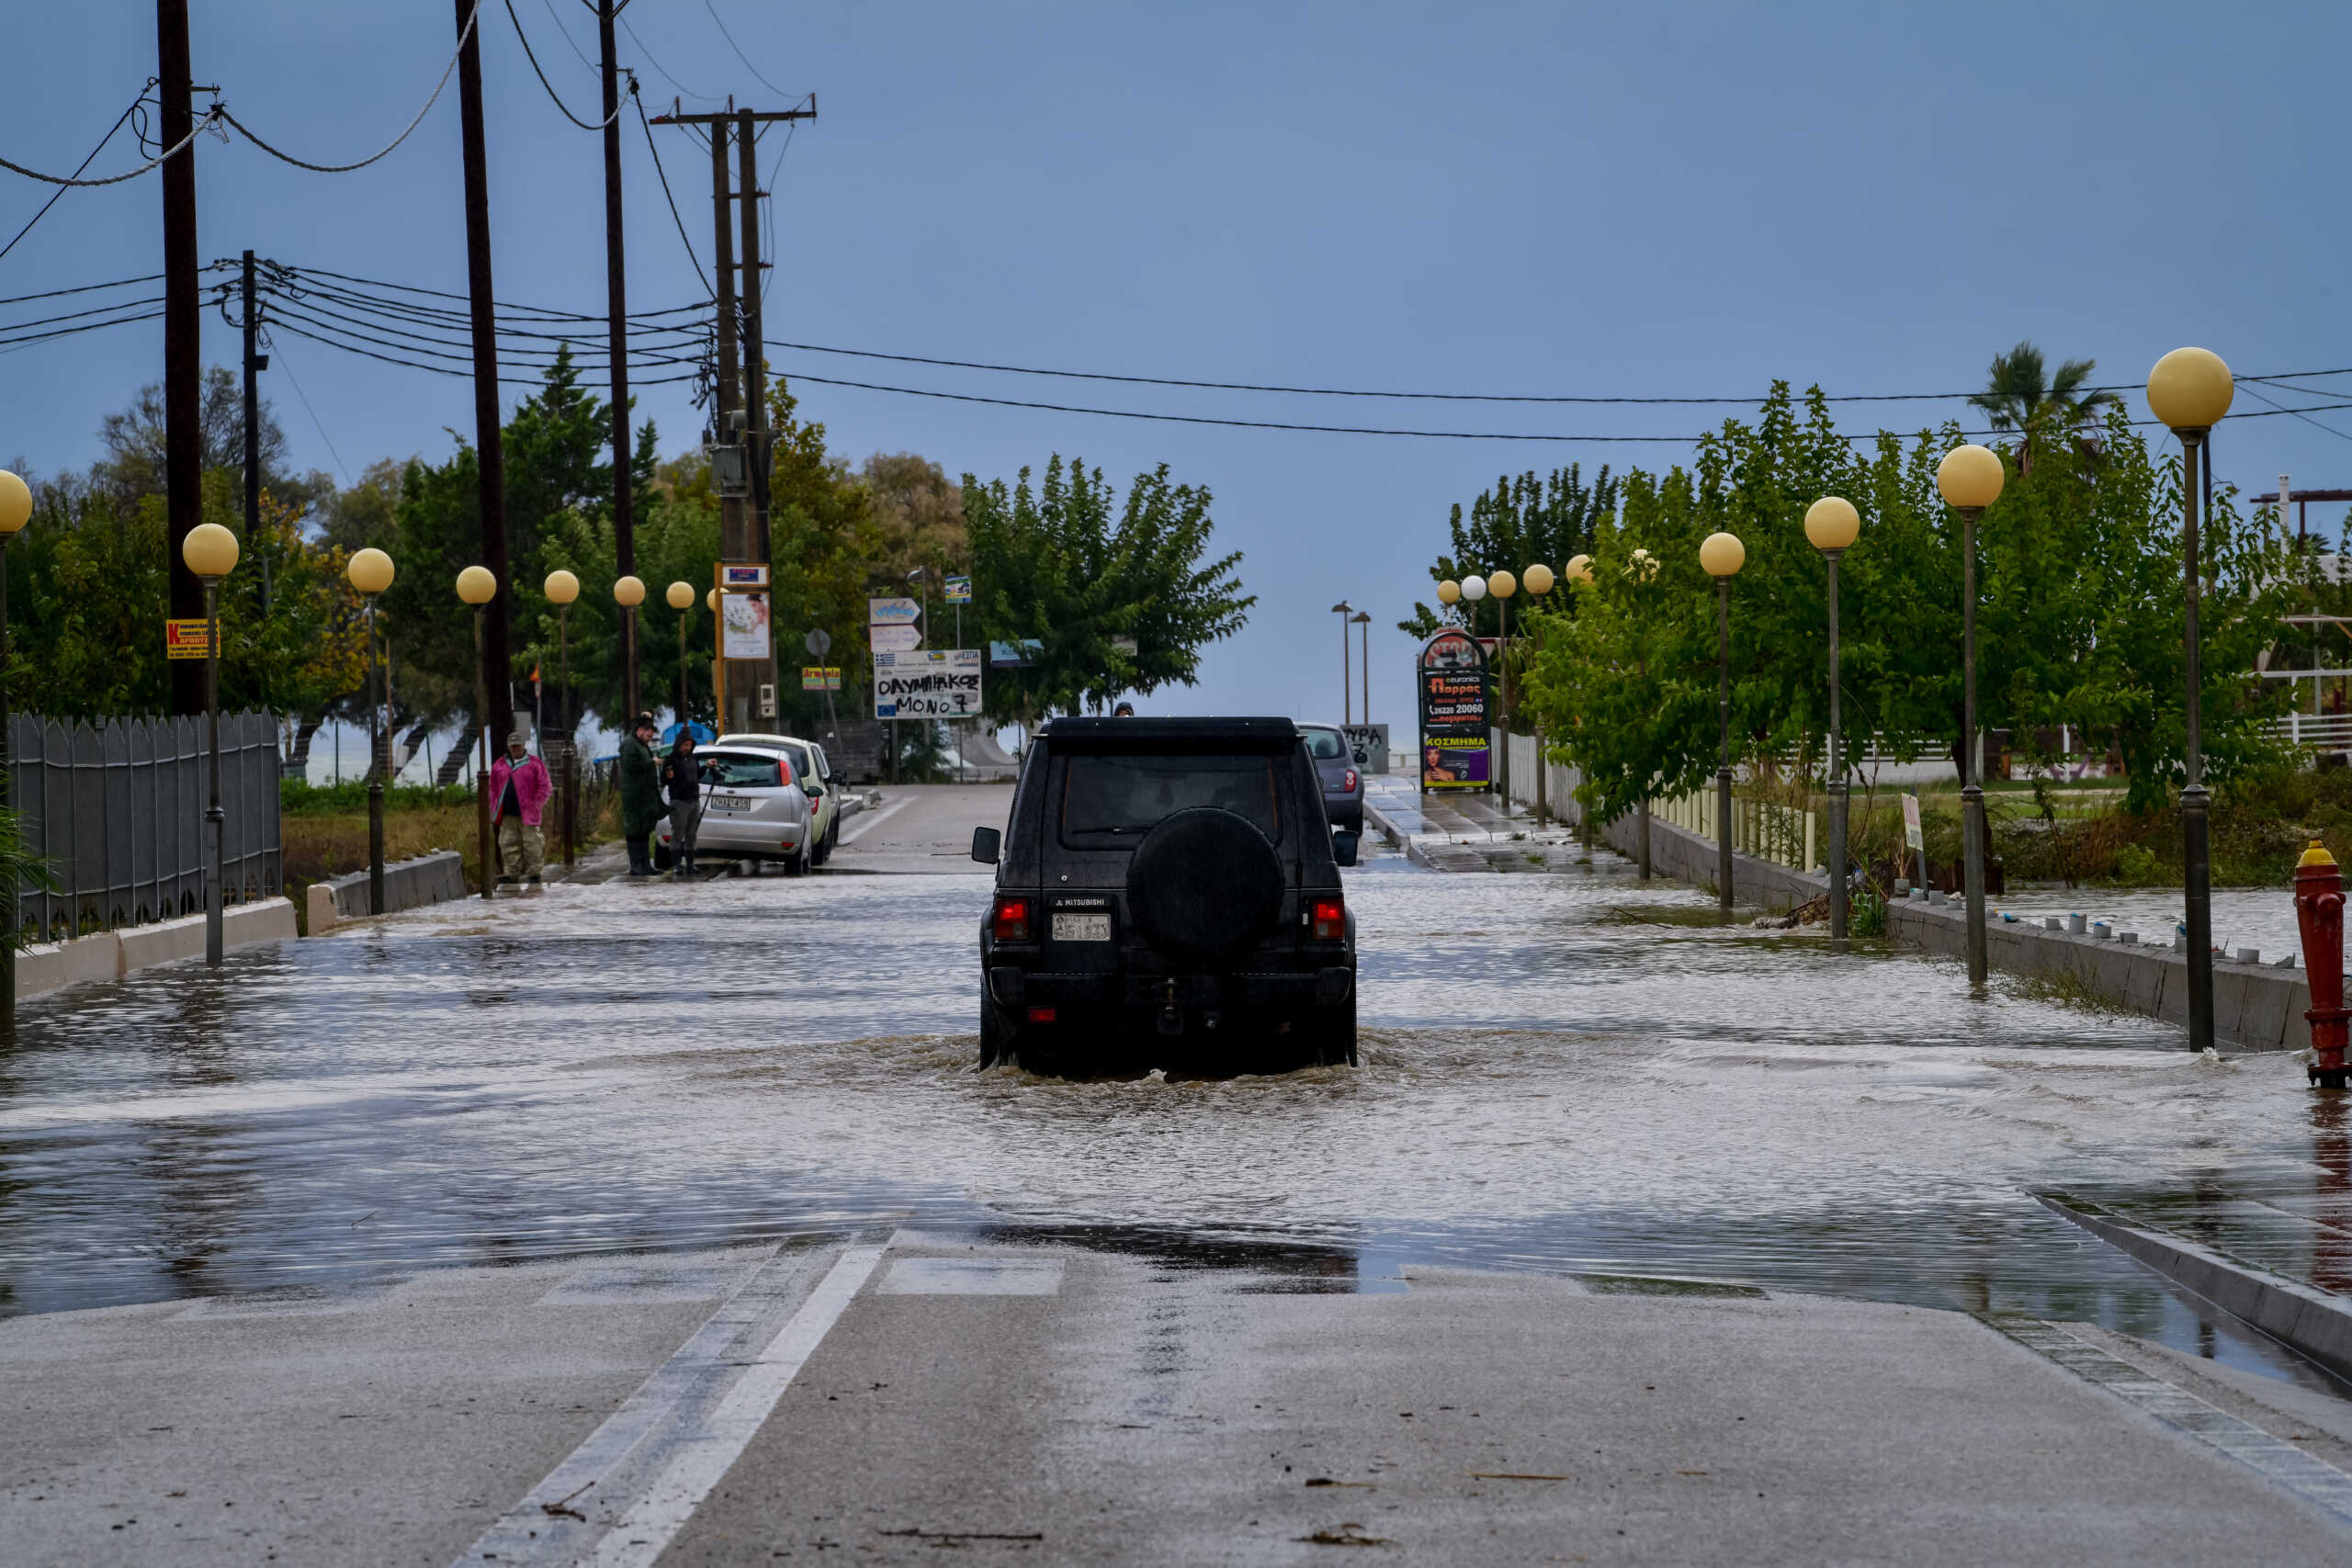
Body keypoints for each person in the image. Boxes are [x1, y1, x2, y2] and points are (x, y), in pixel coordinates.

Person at [488, 730, 552, 887]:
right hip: (507, 814)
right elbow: (492, 788)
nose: (516, 748)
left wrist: (535, 805)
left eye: (518, 745)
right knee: (508, 843)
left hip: (528, 814)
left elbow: (545, 787)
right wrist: (494, 805)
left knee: (532, 844)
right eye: (513, 746)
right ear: (509, 747)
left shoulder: (535, 764)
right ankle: (511, 874)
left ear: (524, 745)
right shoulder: (499, 765)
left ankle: (535, 873)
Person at [618, 712, 664, 877]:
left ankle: (645, 864)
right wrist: (650, 762)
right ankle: (636, 865)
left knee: (645, 829)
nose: (649, 739)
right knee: (635, 829)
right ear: (640, 731)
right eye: (648, 735)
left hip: (645, 794)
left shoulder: (641, 744)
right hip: (634, 794)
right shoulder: (630, 744)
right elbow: (630, 766)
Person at [662, 729, 704, 879]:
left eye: (689, 745)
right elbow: (664, 781)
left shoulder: (693, 758)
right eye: (685, 745)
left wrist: (707, 768)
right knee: (678, 833)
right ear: (679, 744)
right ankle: (676, 865)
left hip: (694, 800)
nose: (687, 747)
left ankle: (691, 864)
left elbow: (697, 775)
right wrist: (668, 777)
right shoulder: (671, 759)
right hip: (679, 801)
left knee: (692, 834)